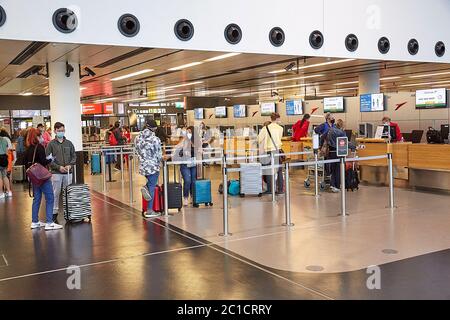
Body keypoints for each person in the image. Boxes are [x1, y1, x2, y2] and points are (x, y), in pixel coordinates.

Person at [25, 128, 63, 230]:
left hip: (34, 177)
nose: (42, 137)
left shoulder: (28, 148)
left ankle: (35, 221)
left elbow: (26, 163)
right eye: (40, 135)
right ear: (37, 137)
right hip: (42, 177)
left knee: (36, 198)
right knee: (50, 197)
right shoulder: (40, 147)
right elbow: (43, 161)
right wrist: (50, 159)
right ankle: (49, 222)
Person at [45, 122, 76, 223]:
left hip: (68, 173)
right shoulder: (51, 144)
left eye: (62, 130)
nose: (61, 132)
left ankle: (69, 212)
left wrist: (70, 165)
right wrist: (58, 167)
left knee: (68, 193)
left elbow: (74, 156)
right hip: (56, 173)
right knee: (55, 193)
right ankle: (54, 214)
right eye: (59, 131)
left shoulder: (69, 143)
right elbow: (48, 159)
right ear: (55, 131)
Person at [135, 119, 163, 218]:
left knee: (150, 184)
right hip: (153, 166)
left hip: (143, 166)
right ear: (154, 128)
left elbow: (136, 151)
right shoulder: (155, 139)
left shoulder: (137, 138)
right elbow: (159, 155)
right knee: (152, 186)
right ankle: (150, 211)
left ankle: (146, 187)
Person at [326, 119, 356, 193]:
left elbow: (325, 138)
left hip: (331, 152)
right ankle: (336, 186)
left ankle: (332, 184)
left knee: (333, 170)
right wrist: (353, 147)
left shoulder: (330, 130)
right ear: (342, 125)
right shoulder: (341, 132)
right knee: (338, 170)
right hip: (338, 152)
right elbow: (345, 142)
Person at [258, 112, 284, 194]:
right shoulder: (281, 128)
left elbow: (259, 139)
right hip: (277, 151)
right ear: (277, 119)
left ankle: (270, 190)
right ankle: (280, 190)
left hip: (268, 151)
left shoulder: (265, 128)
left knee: (269, 170)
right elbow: (279, 138)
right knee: (279, 171)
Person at [174, 126, 199, 206]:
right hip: (185, 163)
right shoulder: (184, 140)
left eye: (190, 132)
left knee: (193, 180)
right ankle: (185, 197)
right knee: (187, 180)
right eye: (187, 132)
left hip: (193, 163)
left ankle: (192, 196)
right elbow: (176, 148)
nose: (188, 133)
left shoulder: (197, 141)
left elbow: (200, 150)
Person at [0, 129, 12, 199]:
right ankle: (9, 191)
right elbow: (8, 150)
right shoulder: (5, 140)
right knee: (5, 176)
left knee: (0, 177)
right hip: (4, 158)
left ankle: (1, 193)